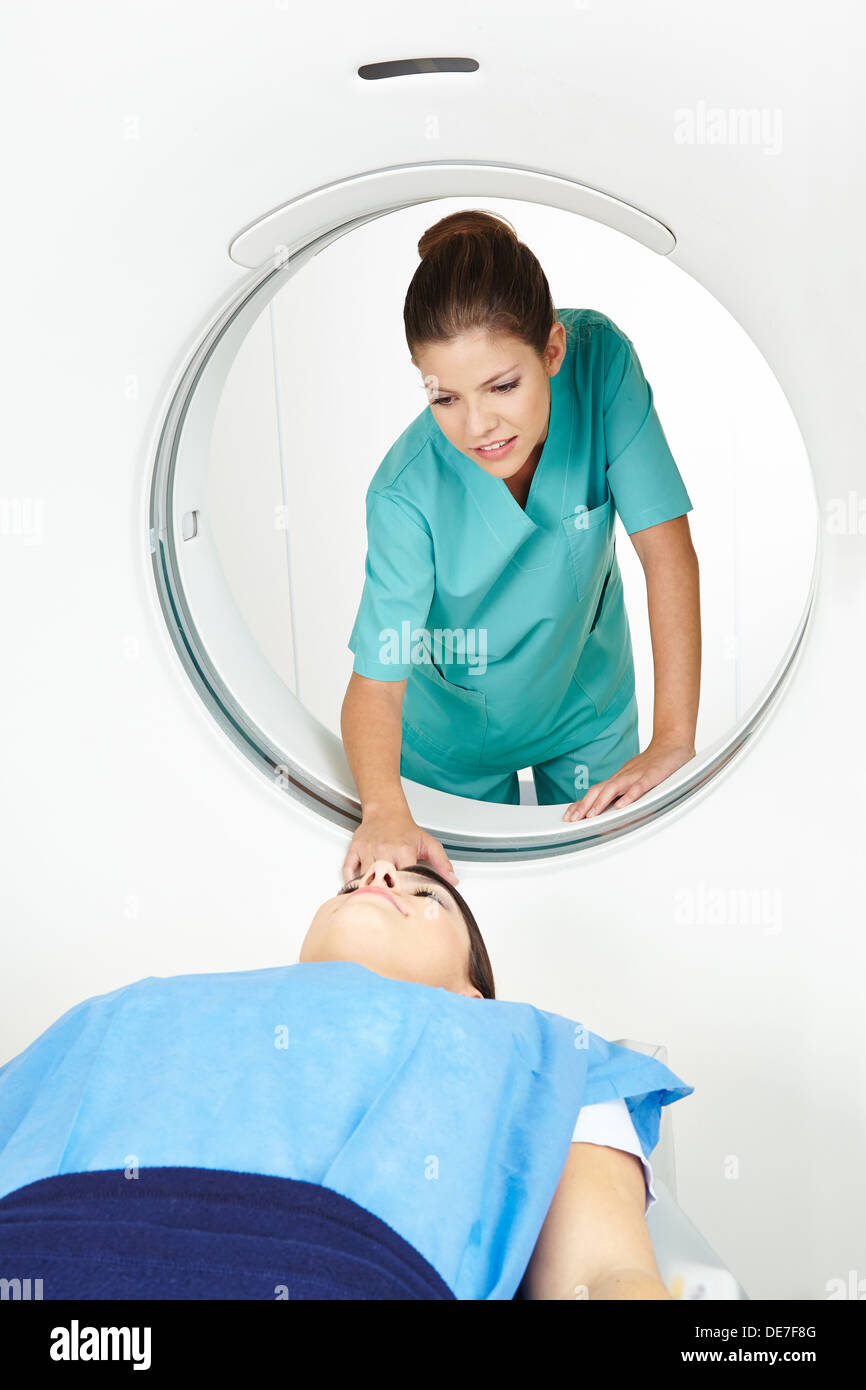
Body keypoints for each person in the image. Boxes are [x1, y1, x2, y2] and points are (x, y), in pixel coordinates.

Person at [0, 861, 693, 1300]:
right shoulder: (126, 1010)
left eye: (427, 894)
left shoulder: (540, 1051)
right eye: (355, 882)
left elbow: (605, 1276)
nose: (381, 877)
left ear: (473, 994)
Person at [342, 210, 701, 887]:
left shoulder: (599, 365)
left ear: (554, 351)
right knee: (482, 913)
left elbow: (667, 553)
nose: (478, 426)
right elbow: (375, 686)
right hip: (453, 738)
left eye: (503, 385)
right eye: (445, 397)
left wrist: (674, 739)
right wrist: (385, 808)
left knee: (614, 886)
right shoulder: (405, 491)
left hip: (586, 703)